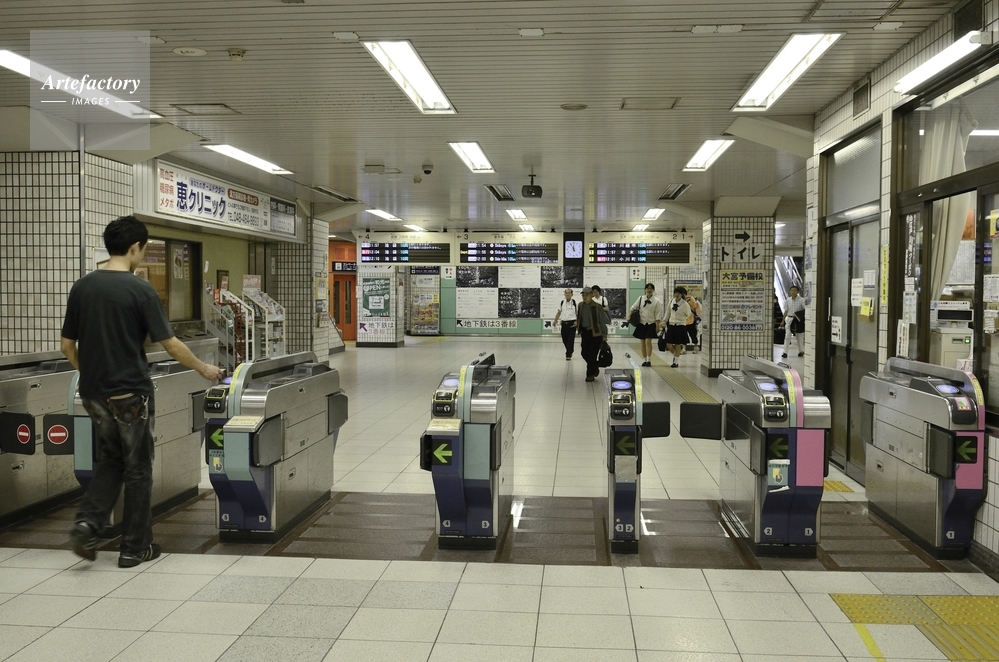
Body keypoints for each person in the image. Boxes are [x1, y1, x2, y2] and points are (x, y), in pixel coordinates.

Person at [61, 215, 225, 567]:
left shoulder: (82, 287)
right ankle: (135, 547)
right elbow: (170, 343)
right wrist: (204, 368)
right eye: (143, 249)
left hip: (93, 392)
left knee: (111, 458)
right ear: (135, 248)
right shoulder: (140, 290)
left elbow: (66, 345)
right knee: (137, 467)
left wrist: (90, 374)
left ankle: (87, 524)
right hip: (130, 393)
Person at [578, 286, 610, 382]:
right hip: (585, 333)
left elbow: (602, 321)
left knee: (592, 354)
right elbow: (579, 317)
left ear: (592, 295)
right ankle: (595, 366)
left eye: (586, 295)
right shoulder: (580, 305)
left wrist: (604, 335)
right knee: (584, 353)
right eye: (583, 295)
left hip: (596, 334)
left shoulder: (597, 306)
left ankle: (590, 375)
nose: (584, 297)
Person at [629, 283, 663, 366]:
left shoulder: (656, 301)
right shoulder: (641, 298)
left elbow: (658, 315)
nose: (649, 290)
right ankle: (644, 359)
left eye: (651, 288)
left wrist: (658, 326)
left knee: (648, 341)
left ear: (653, 290)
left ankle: (649, 360)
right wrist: (629, 315)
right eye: (647, 288)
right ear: (645, 290)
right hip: (642, 323)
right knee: (642, 342)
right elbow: (633, 307)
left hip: (651, 323)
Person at [661, 286, 692, 368]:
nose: (677, 294)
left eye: (679, 293)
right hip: (671, 325)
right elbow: (668, 313)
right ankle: (675, 355)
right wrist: (664, 321)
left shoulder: (685, 304)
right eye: (676, 293)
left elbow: (689, 314)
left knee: (678, 344)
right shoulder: (671, 301)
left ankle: (676, 362)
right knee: (668, 344)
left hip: (680, 326)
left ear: (682, 295)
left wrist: (682, 318)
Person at [780, 285, 806, 358]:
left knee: (799, 336)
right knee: (787, 336)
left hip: (798, 320)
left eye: (794, 290)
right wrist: (782, 321)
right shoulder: (788, 300)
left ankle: (801, 351)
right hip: (789, 319)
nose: (793, 292)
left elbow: (805, 309)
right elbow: (786, 311)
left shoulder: (802, 300)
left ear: (797, 292)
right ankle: (785, 352)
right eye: (791, 290)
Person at [552, 288, 578, 360]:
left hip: (572, 323)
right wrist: (555, 320)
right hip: (564, 323)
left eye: (569, 293)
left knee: (570, 339)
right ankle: (570, 350)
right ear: (564, 294)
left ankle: (568, 354)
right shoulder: (562, 302)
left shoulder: (575, 303)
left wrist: (577, 321)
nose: (567, 294)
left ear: (572, 294)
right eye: (566, 293)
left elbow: (578, 313)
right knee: (564, 339)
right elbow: (559, 312)